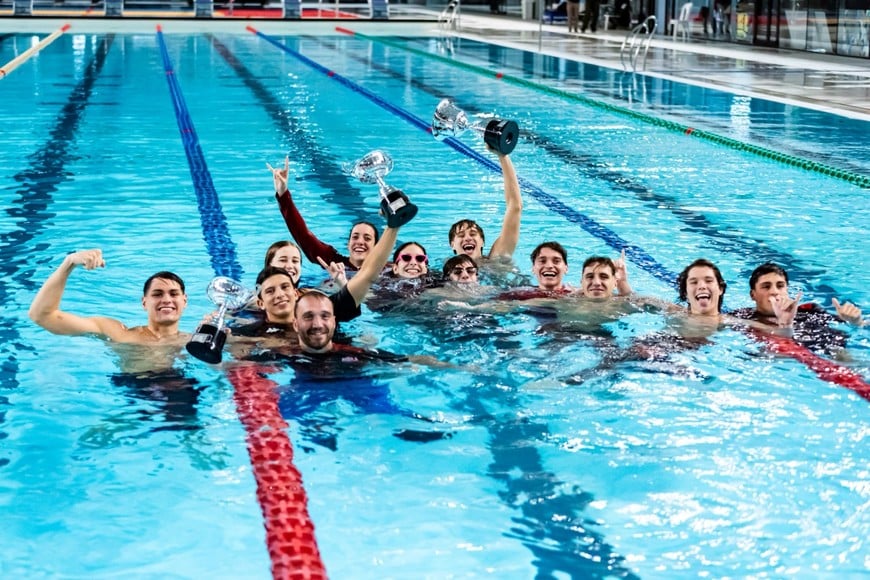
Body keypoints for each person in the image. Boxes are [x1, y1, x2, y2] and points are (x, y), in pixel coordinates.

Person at [233, 221, 404, 340]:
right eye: (283, 260)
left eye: (295, 261)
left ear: (295, 293)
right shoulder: (247, 306)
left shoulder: (316, 300)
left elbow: (365, 277)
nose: (290, 266)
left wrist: (393, 226)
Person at [29, 249, 188, 346]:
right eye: (157, 294)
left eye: (174, 294)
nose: (166, 299)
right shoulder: (118, 334)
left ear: (184, 301)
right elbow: (42, 316)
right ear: (144, 302)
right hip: (134, 388)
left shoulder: (192, 342)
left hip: (183, 387)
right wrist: (69, 263)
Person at [269, 157, 380, 272]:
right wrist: (283, 194)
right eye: (355, 237)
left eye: (367, 238)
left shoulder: (387, 270)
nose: (360, 242)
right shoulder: (333, 262)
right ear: (348, 244)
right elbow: (304, 236)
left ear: (377, 247)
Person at [729, 262, 864, 357]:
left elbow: (858, 327)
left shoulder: (809, 311)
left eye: (780, 286)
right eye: (766, 286)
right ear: (753, 295)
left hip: (829, 351)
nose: (775, 292)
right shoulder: (741, 316)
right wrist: (784, 326)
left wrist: (854, 321)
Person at [447, 151, 522, 264]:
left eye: (473, 234)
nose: (467, 238)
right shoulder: (445, 270)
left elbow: (515, 206)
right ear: (452, 244)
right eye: (461, 235)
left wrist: (502, 155)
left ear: (482, 242)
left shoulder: (495, 262)